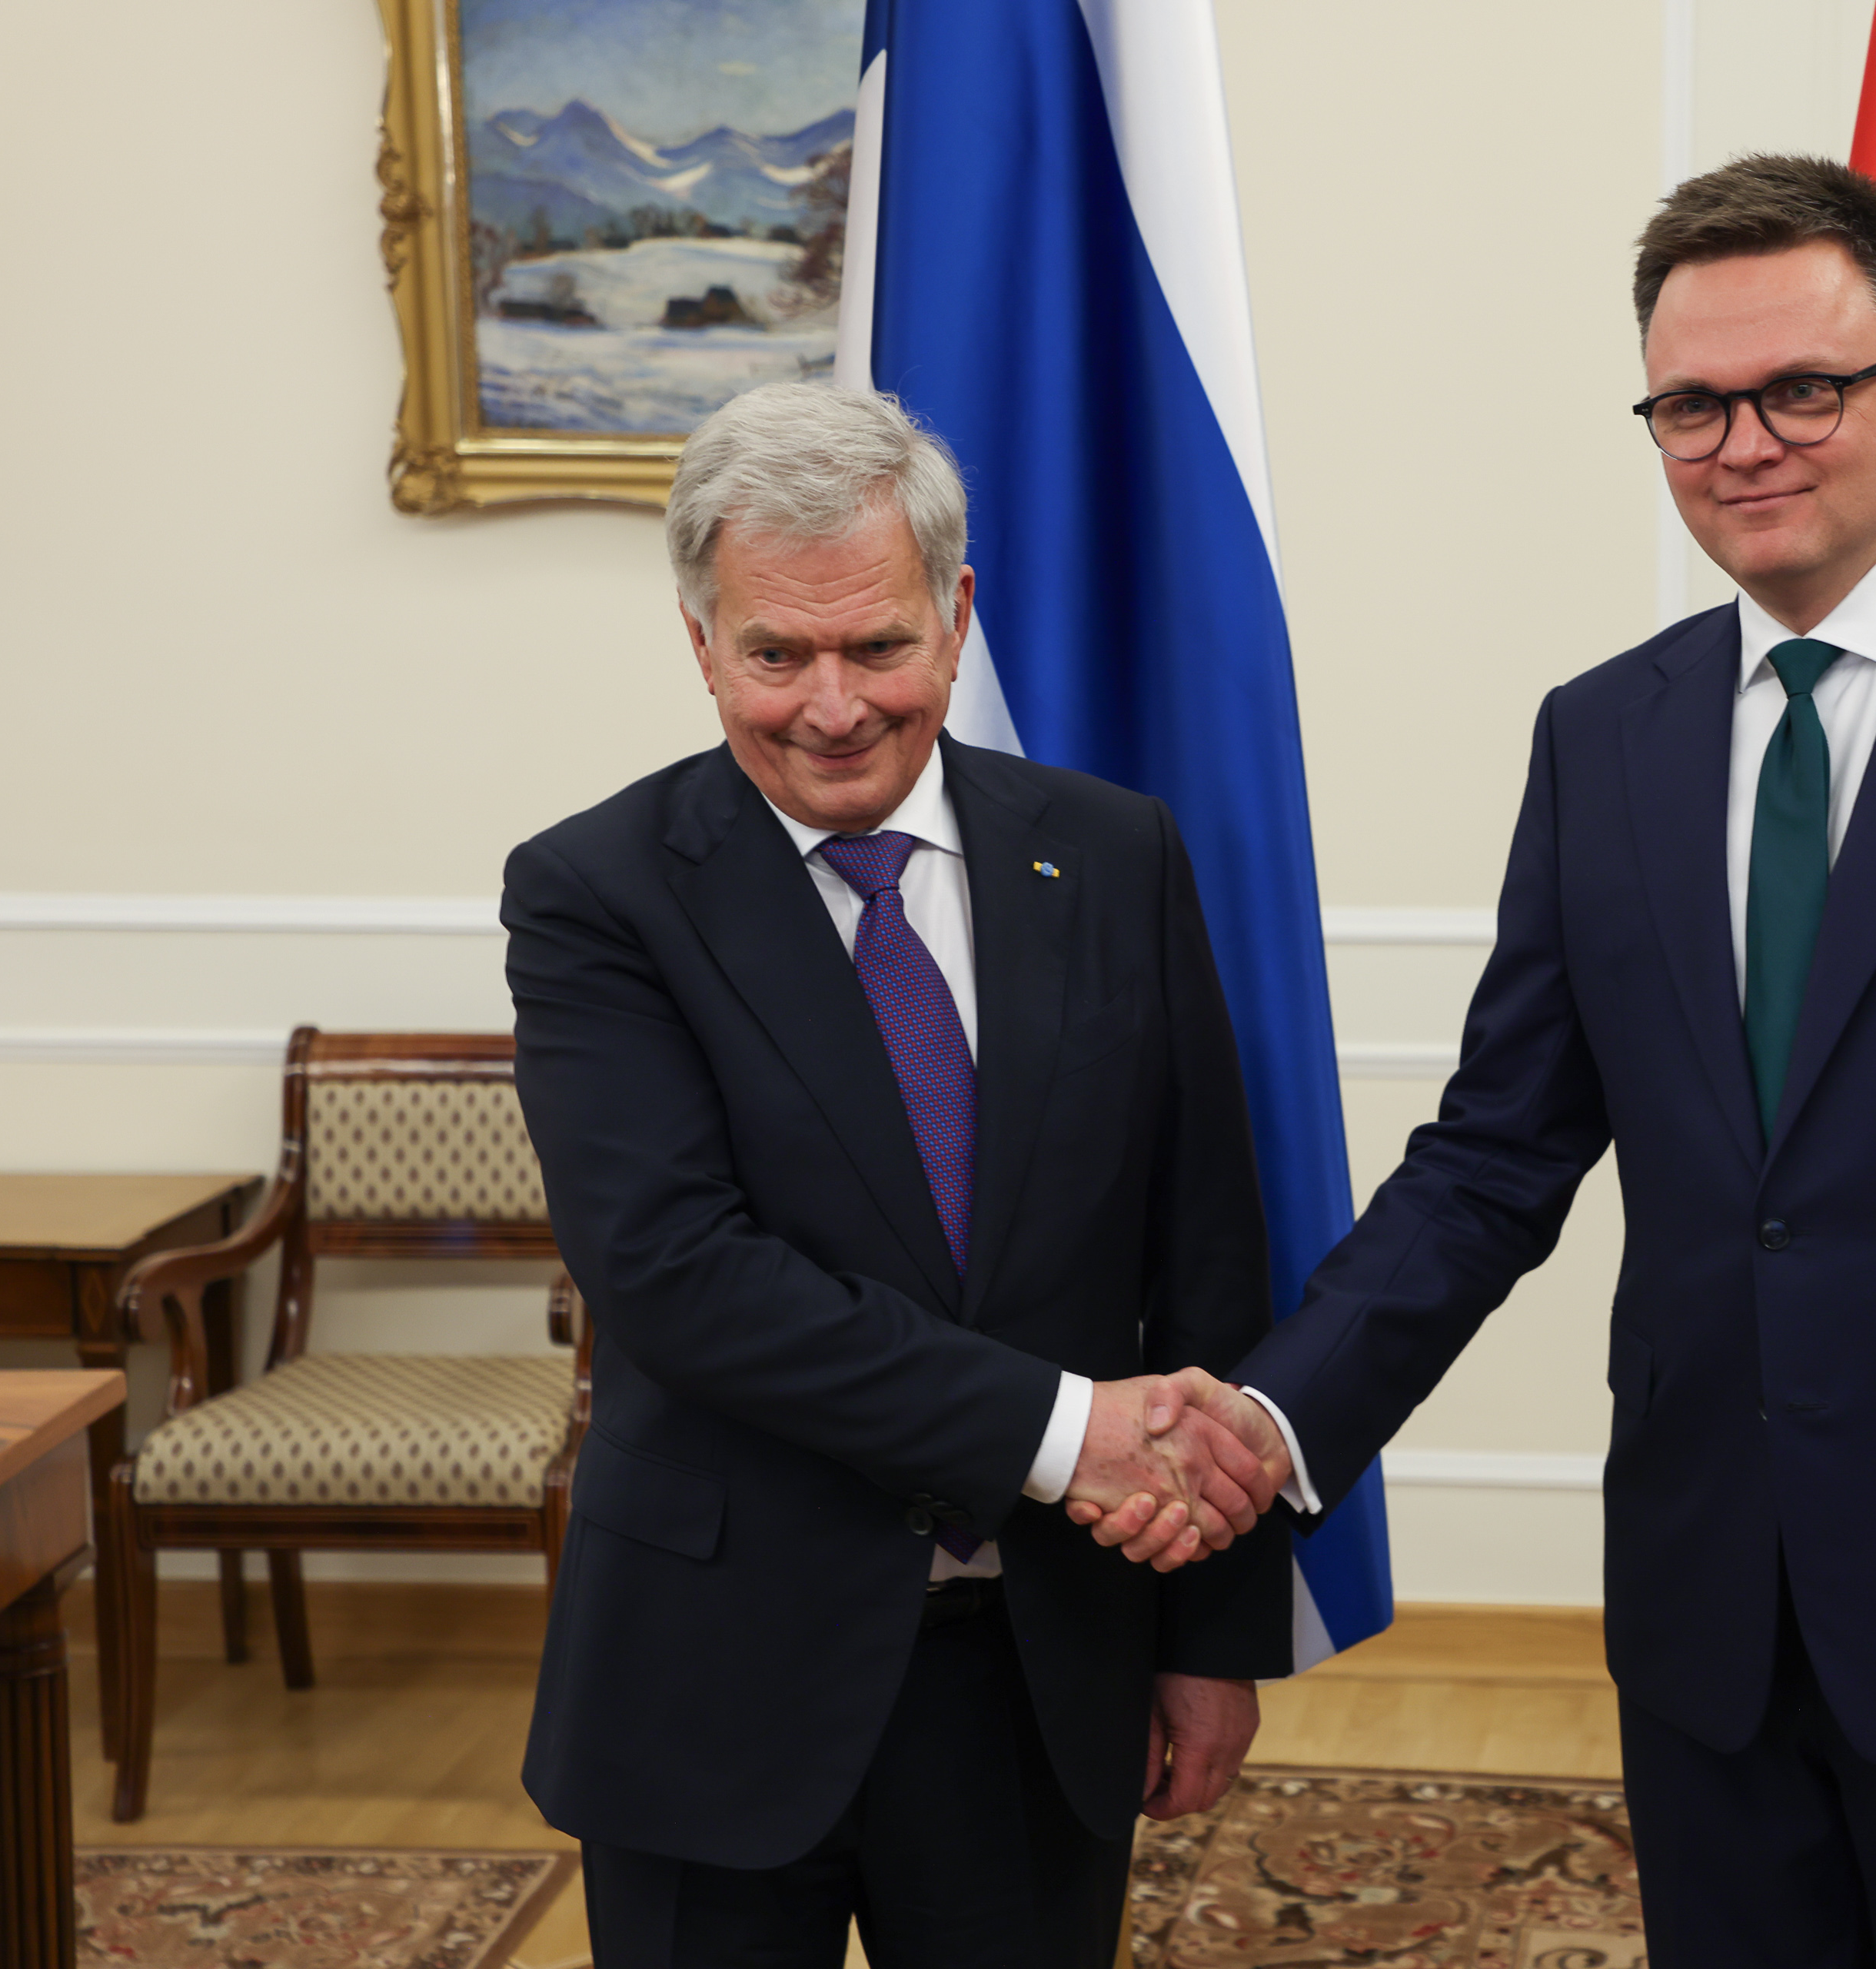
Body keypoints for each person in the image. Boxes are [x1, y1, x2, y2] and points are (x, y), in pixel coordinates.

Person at [1084, 154, 1876, 1965]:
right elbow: (1496, 1156)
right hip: (1706, 1614)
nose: (1743, 444)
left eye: (1799, 390)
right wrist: (1272, 1421)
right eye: (1690, 404)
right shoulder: (1607, 736)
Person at [504, 380, 1292, 1969]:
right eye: (774, 653)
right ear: (702, 640)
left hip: (1039, 1667)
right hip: (713, 1684)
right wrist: (1068, 1432)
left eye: (876, 647)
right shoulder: (596, 894)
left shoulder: (1116, 853)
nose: (830, 704)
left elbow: (1202, 1257)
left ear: (956, 614)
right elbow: (678, 1279)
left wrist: (1214, 1637)